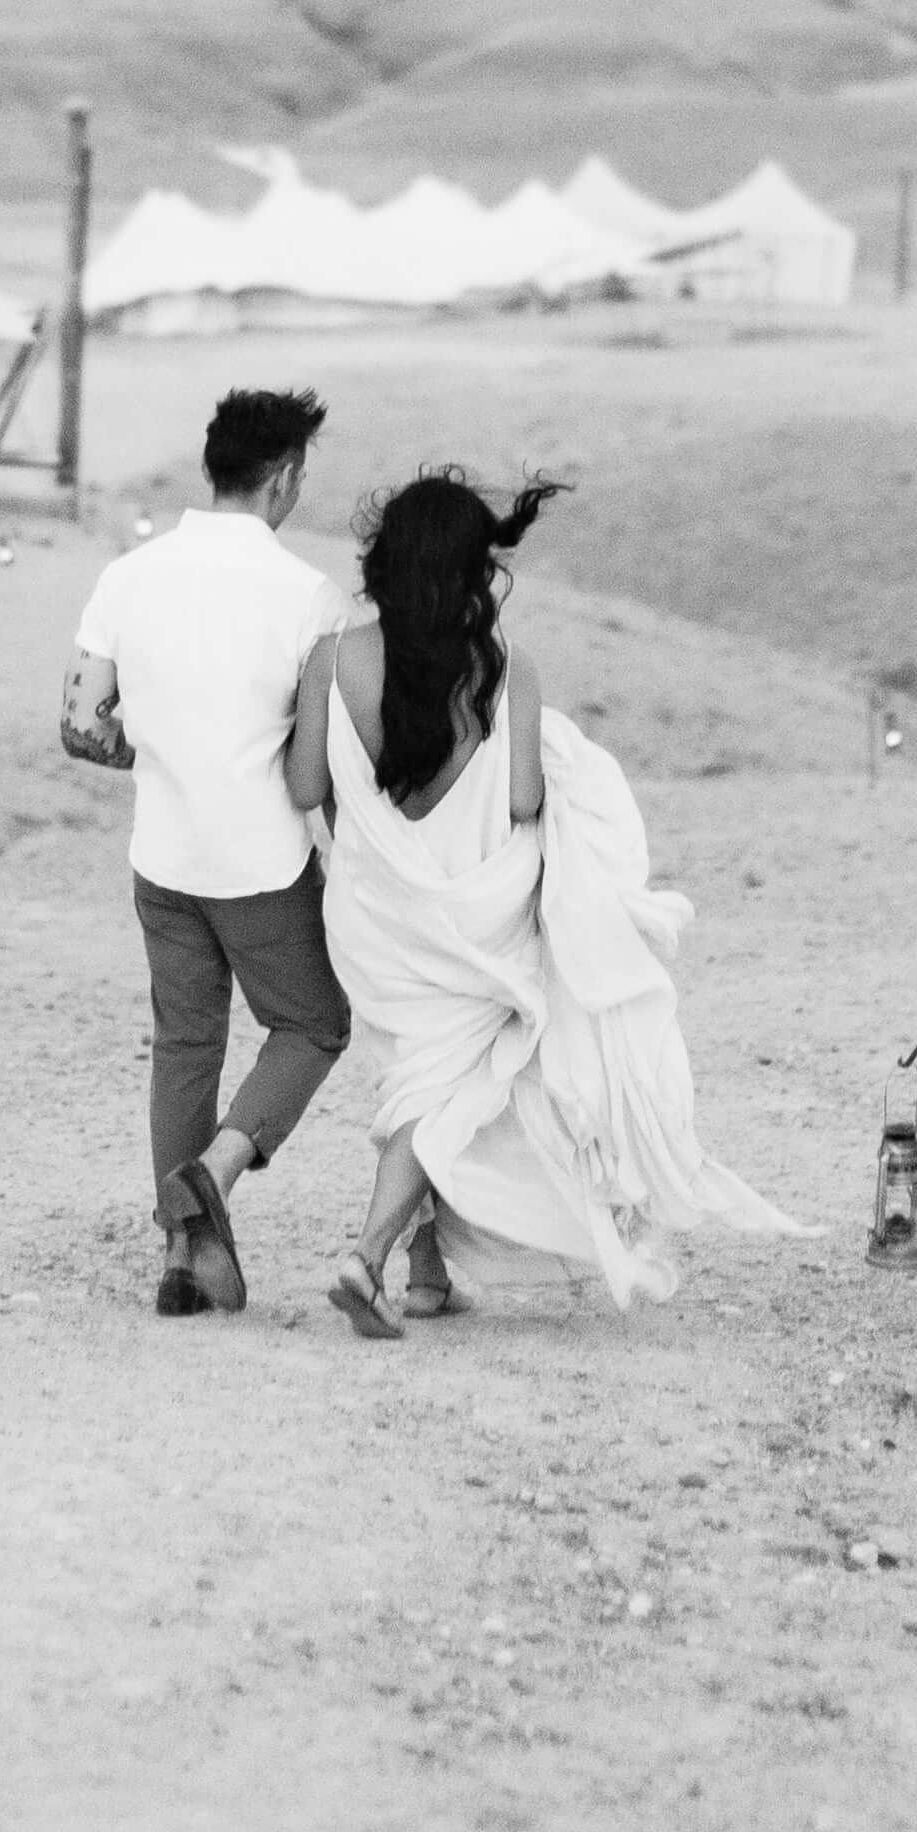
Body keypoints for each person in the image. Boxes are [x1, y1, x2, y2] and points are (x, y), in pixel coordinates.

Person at [292, 469, 799, 1334]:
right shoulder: (505, 671)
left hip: (374, 922)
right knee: (446, 1091)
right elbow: (526, 801)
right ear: (467, 573)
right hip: (480, 924)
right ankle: (367, 1255)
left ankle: (424, 1275)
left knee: (414, 1079)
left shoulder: (331, 660)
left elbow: (306, 782)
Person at [61, 386, 378, 1317]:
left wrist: (157, 753)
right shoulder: (308, 597)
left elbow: (81, 726)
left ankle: (182, 1263)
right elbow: (321, 752)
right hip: (261, 861)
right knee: (315, 1022)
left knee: (186, 1044)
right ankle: (218, 1169)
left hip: (162, 853)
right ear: (281, 479)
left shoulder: (128, 575)